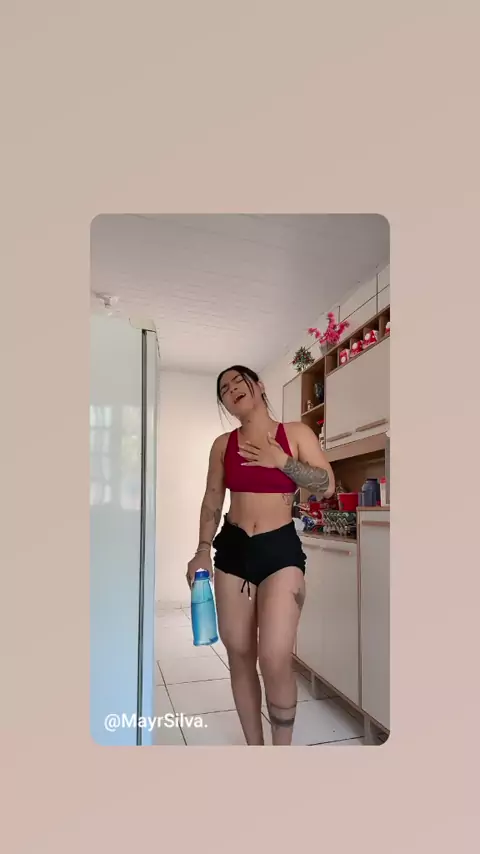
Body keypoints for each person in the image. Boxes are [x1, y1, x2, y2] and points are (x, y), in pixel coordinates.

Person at [186, 365, 335, 745]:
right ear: (224, 404)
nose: (232, 389)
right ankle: (255, 750)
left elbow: (327, 486)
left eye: (239, 381)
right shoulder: (223, 445)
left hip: (280, 550)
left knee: (274, 656)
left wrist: (281, 461)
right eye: (224, 389)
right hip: (233, 550)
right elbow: (212, 498)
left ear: (259, 386)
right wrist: (202, 550)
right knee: (239, 654)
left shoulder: (295, 434)